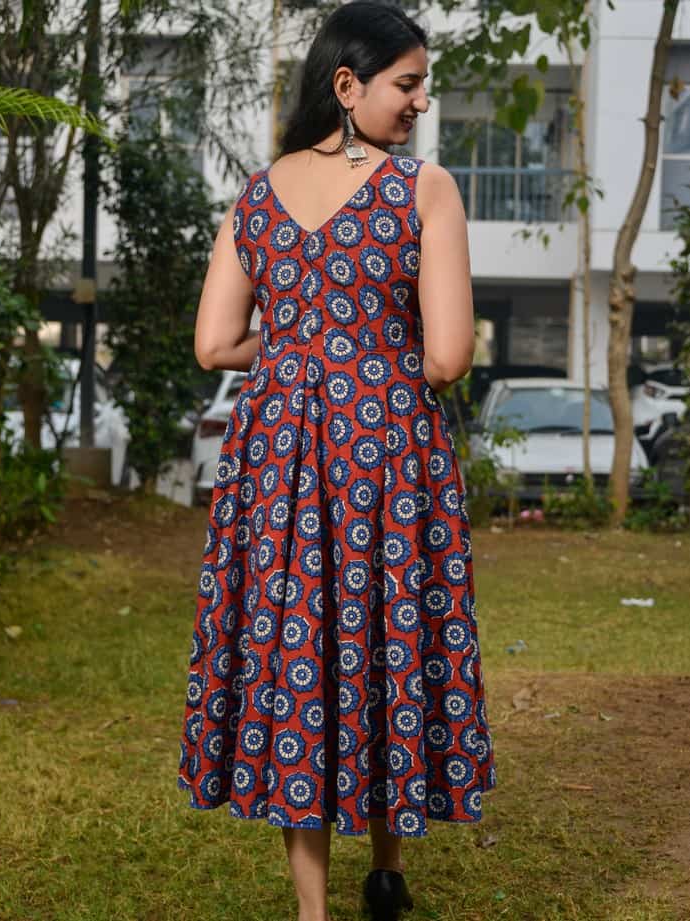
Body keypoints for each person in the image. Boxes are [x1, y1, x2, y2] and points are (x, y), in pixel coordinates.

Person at [177, 3, 496, 920]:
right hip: (385, 450)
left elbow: (212, 345)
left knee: (299, 652)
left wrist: (295, 349)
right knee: (388, 633)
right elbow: (444, 359)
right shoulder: (421, 188)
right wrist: (367, 350)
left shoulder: (256, 190)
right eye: (407, 84)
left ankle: (312, 911)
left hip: (276, 453)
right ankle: (386, 870)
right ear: (347, 85)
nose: (420, 103)